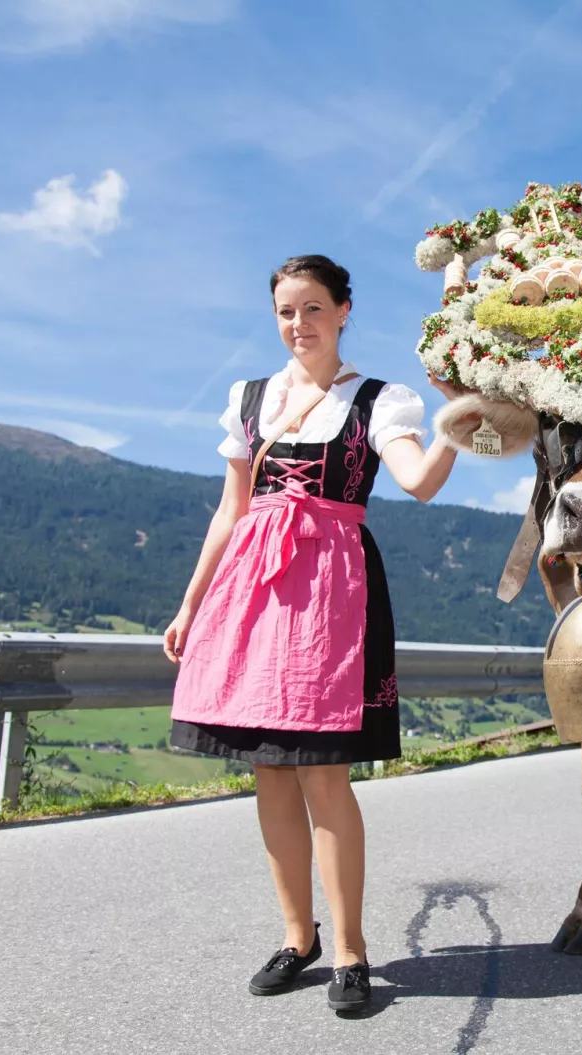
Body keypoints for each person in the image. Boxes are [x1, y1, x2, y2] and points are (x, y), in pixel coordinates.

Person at [164, 255, 460, 1013]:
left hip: (334, 591)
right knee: (269, 772)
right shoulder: (252, 398)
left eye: (315, 308)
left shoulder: (378, 400)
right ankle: (300, 938)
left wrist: (458, 418)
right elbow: (230, 511)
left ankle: (352, 951)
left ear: (344, 310)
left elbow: (420, 483)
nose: (300, 324)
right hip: (253, 595)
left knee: (324, 774)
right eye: (287, 312)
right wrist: (190, 605)